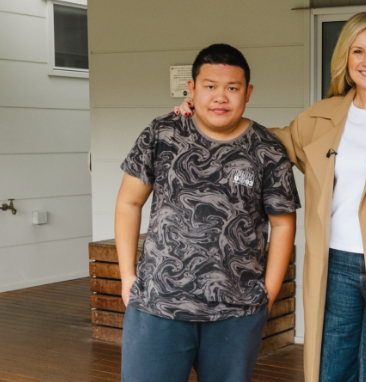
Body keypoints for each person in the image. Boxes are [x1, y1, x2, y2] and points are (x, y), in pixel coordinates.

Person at [175, 12, 366, 382]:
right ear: (345, 61)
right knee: (331, 369)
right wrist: (204, 118)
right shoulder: (322, 116)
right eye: (358, 52)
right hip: (334, 266)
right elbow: (268, 143)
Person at [116, 43, 299, 382]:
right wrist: (128, 277)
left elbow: (283, 223)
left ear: (248, 92)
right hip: (158, 305)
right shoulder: (162, 133)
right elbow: (129, 202)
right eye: (210, 86)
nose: (220, 97)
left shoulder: (267, 150)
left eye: (232, 88)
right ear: (192, 89)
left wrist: (267, 293)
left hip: (236, 311)